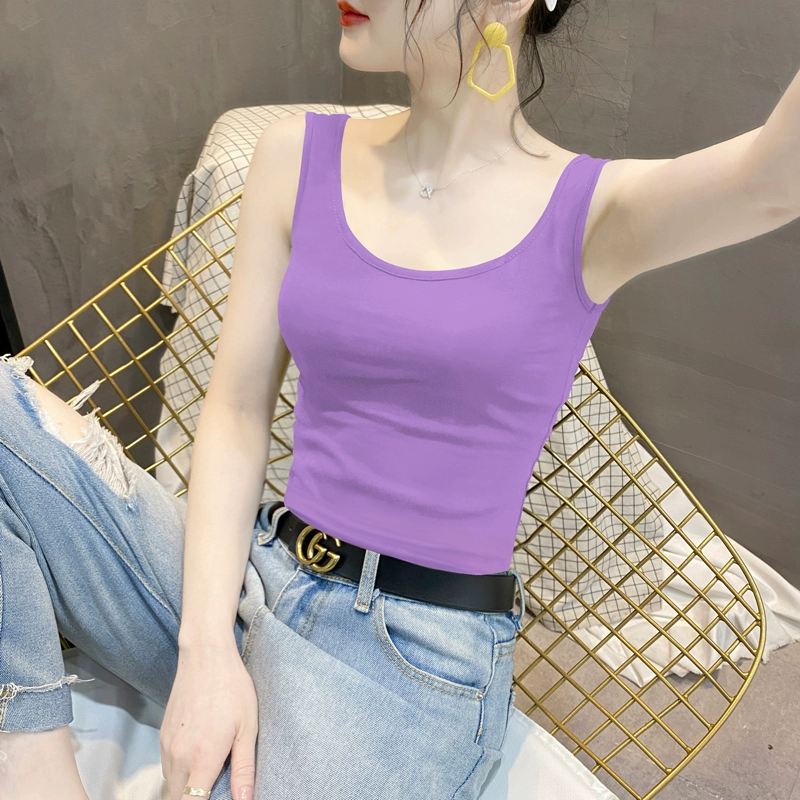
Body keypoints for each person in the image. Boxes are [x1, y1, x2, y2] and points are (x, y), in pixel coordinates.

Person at [2, 0, 799, 797]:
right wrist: (205, 652)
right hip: (251, 574)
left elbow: (772, 179)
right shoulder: (294, 156)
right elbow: (237, 409)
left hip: (410, 660)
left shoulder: (595, 210)